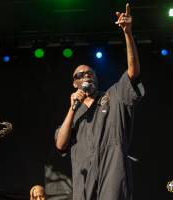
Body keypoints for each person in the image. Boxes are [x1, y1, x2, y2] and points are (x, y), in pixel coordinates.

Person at [54, 4, 144, 200]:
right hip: (84, 178)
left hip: (112, 172)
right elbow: (61, 144)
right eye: (81, 74)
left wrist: (128, 34)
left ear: (96, 77)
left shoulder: (113, 95)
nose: (87, 75)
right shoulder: (74, 110)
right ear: (74, 82)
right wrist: (71, 110)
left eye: (90, 73)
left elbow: (133, 73)